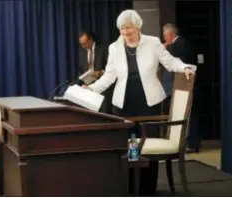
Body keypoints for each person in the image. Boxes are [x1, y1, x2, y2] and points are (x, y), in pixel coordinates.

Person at [83, 10, 197, 195]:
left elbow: (169, 62)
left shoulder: (153, 43)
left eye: (128, 28)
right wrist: (92, 88)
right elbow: (110, 75)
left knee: (146, 144)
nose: (124, 32)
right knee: (128, 146)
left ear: (138, 26)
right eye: (121, 29)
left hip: (149, 101)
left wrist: (184, 66)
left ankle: (147, 188)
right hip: (123, 103)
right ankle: (130, 187)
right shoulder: (114, 48)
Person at [163, 23, 200, 153]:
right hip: (183, 85)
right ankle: (187, 143)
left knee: (188, 114)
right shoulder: (179, 44)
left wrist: (166, 48)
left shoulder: (179, 44)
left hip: (186, 84)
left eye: (165, 36)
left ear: (170, 35)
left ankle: (190, 143)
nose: (164, 39)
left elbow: (179, 60)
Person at [78, 30, 113, 114]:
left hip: (104, 86)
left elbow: (111, 67)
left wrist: (100, 73)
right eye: (81, 44)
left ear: (91, 40)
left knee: (104, 112)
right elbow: (82, 69)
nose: (83, 46)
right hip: (89, 86)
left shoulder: (103, 48)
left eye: (84, 43)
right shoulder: (83, 51)